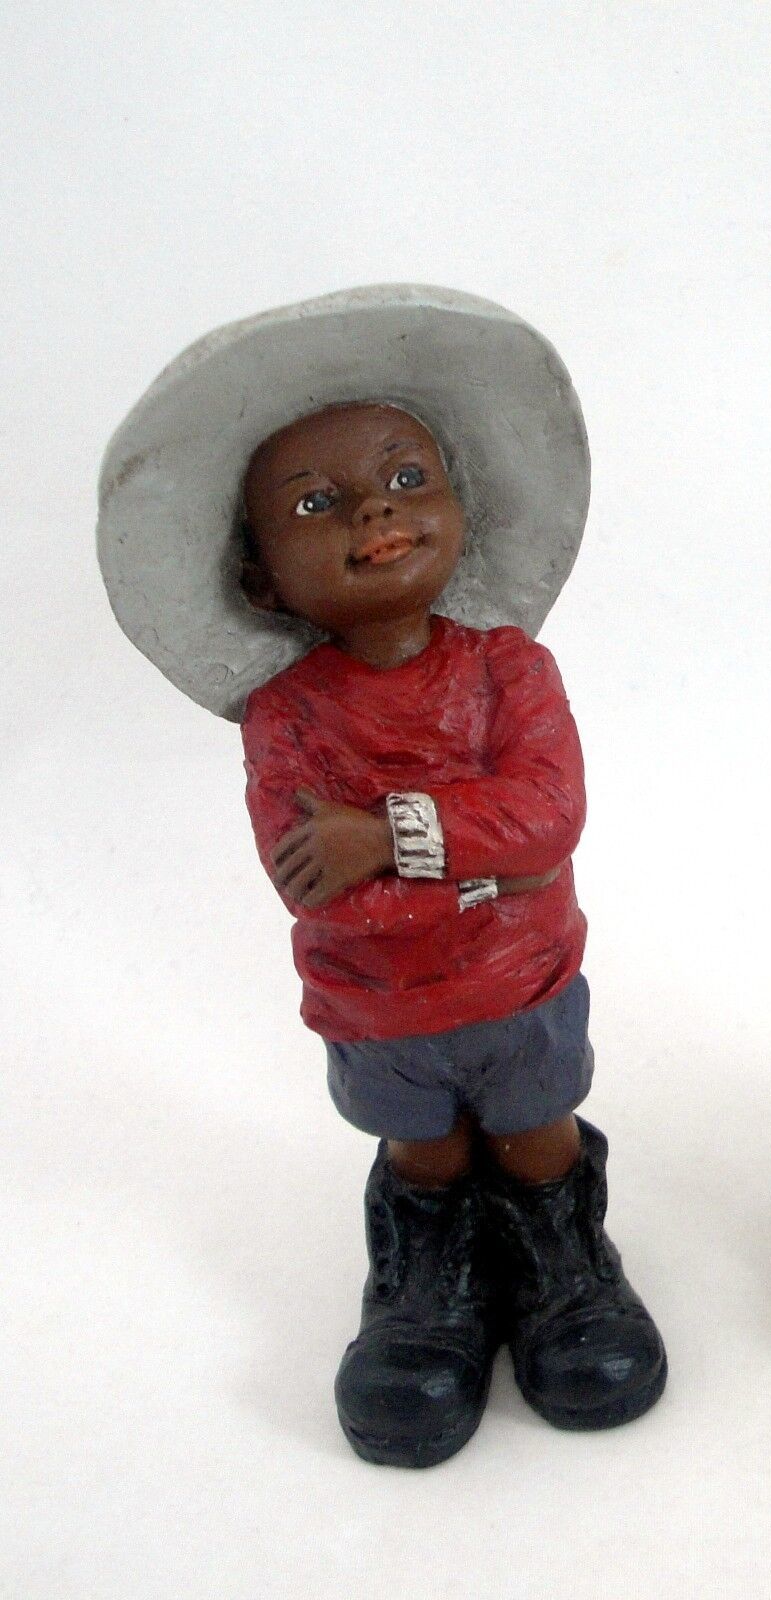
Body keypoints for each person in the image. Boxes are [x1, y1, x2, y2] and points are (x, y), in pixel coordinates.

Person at [99, 286, 666, 1465]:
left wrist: (388, 833)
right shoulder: (289, 717)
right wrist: (478, 863)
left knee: (537, 1130)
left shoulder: (508, 671)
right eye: (317, 504)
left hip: (523, 986)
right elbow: (317, 886)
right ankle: (428, 1287)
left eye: (408, 477)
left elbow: (549, 815)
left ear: (459, 505)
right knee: (426, 1152)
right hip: (380, 1009)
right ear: (262, 578)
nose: (376, 511)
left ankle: (562, 1263)